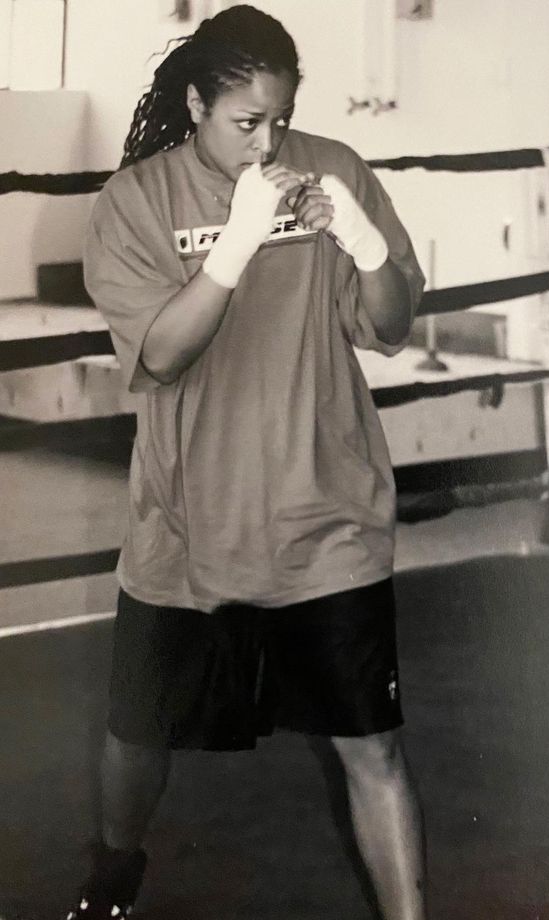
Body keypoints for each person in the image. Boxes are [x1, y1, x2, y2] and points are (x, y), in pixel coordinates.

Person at [67, 4, 427, 919]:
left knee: (373, 746)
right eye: (246, 124)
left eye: (281, 119)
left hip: (325, 512)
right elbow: (162, 354)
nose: (268, 142)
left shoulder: (332, 168)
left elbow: (390, 324)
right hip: (189, 530)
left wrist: (368, 241)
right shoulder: (136, 203)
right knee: (137, 739)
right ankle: (114, 873)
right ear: (196, 105)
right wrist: (234, 244)